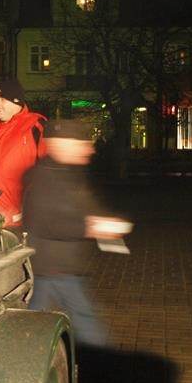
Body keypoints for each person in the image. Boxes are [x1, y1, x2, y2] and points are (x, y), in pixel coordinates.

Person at [23, 119, 128, 348]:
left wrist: (101, 219)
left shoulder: (69, 172)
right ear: (61, 144)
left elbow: (84, 205)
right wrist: (90, 227)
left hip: (61, 268)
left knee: (33, 322)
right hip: (50, 267)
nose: (89, 149)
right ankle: (100, 364)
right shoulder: (41, 176)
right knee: (83, 323)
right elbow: (46, 222)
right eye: (82, 143)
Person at [0, 78, 46, 229]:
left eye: (2, 99)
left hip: (16, 223)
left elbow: (49, 174)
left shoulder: (35, 126)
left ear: (17, 101)